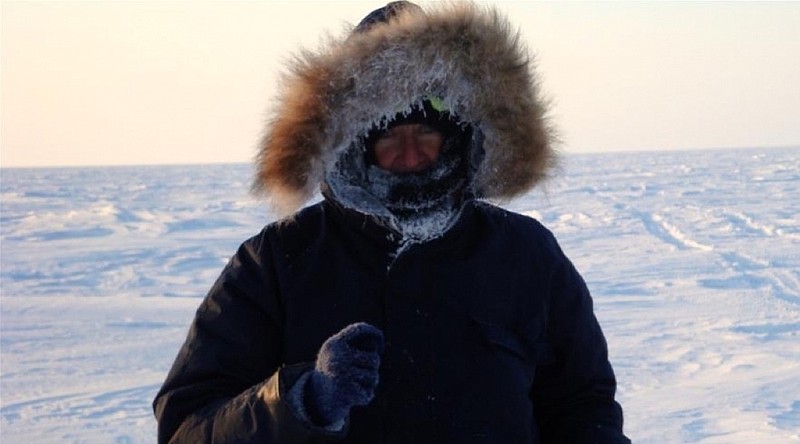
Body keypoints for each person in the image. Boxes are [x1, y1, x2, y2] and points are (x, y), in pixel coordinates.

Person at [153, 2, 631, 443]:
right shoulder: (278, 261)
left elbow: (583, 407)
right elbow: (186, 427)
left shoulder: (525, 253)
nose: (410, 155)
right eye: (388, 135)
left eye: (425, 130)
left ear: (461, 132)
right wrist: (300, 399)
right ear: (351, 143)